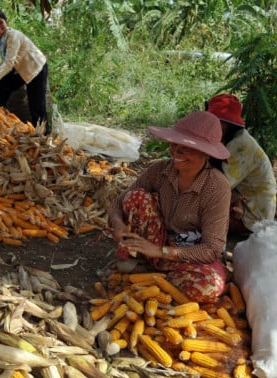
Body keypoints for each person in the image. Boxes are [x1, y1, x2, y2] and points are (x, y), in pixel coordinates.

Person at [108, 111, 231, 303]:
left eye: (185, 148)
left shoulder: (216, 187)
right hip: (158, 240)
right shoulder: (160, 170)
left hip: (189, 254)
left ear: (206, 153)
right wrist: (118, 224)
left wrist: (162, 252)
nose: (175, 152)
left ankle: (149, 273)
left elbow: (212, 249)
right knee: (136, 197)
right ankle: (151, 269)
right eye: (174, 144)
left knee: (208, 285)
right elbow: (119, 201)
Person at [206, 93, 277, 234]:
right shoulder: (231, 139)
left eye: (216, 121)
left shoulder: (240, 145)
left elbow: (216, 186)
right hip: (244, 203)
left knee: (193, 218)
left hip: (254, 217)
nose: (211, 124)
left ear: (227, 124)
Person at [0, 8, 49, 132]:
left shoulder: (13, 36)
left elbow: (9, 62)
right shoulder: (0, 40)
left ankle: (44, 135)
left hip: (35, 68)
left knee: (37, 105)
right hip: (19, 69)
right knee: (2, 87)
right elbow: (7, 60)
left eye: (0, 22)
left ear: (6, 22)